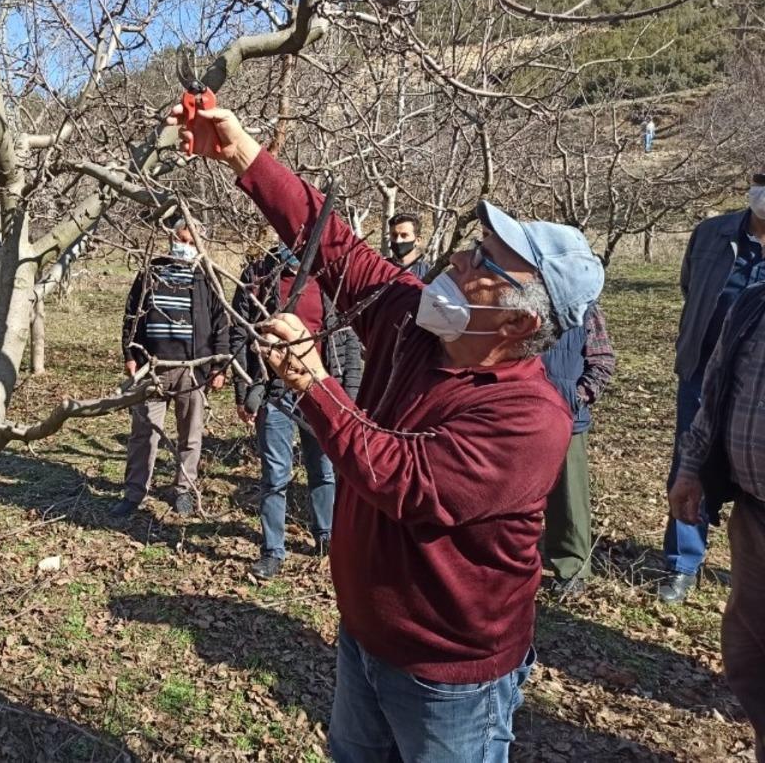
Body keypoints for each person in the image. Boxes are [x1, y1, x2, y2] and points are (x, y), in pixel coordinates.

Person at [172, 103, 603, 763]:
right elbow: (339, 251)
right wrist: (243, 156)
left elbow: (401, 478)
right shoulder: (419, 326)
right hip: (364, 640)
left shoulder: (531, 419)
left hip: (448, 680)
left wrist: (315, 384)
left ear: (519, 326)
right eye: (471, 247)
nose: (458, 260)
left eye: (484, 263)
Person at [669, 281, 765, 763]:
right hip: (754, 514)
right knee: (750, 656)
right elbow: (715, 390)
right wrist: (691, 468)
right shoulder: (753, 301)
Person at [660, 173, 765, 603]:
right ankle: (683, 562)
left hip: (756, 383)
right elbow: (690, 288)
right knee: (690, 462)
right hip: (702, 371)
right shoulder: (712, 233)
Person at [231, 240, 363, 579]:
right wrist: (245, 391)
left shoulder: (332, 279)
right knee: (275, 474)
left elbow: (348, 340)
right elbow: (239, 336)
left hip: (320, 389)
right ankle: (273, 550)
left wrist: (347, 395)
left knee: (324, 469)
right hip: (275, 391)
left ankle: (327, 539)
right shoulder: (259, 277)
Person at [114, 218, 229, 517]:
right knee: (143, 433)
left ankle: (183, 490)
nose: (185, 248)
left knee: (190, 436)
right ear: (171, 239)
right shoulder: (151, 273)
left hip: (193, 369)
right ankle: (134, 492)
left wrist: (219, 366)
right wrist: (130, 353)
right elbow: (132, 315)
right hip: (151, 366)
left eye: (192, 244)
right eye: (181, 241)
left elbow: (222, 325)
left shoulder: (208, 278)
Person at [541, 302, 616, 598]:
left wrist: (575, 397)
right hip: (515, 414)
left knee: (569, 498)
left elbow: (603, 361)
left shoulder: (585, 308)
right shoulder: (511, 297)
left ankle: (571, 568)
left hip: (566, 419)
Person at [387, 213, 432, 281]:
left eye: (404, 235)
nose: (398, 240)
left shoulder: (428, 272)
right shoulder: (381, 268)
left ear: (418, 240)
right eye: (394, 235)